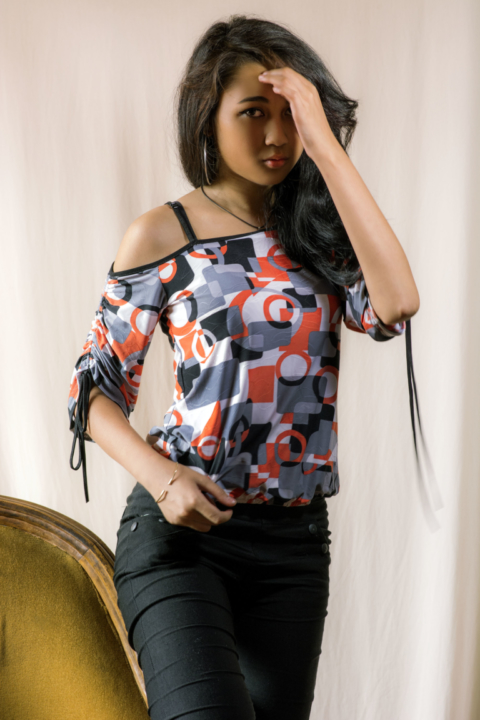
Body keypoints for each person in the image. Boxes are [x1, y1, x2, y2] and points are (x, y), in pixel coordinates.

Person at [67, 15, 420, 720]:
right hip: (182, 539)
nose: (276, 135)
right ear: (209, 115)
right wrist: (162, 478)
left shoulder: (319, 236)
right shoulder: (164, 233)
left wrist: (326, 146)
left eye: (291, 116)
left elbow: (396, 304)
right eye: (254, 112)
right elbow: (92, 390)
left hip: (294, 547)